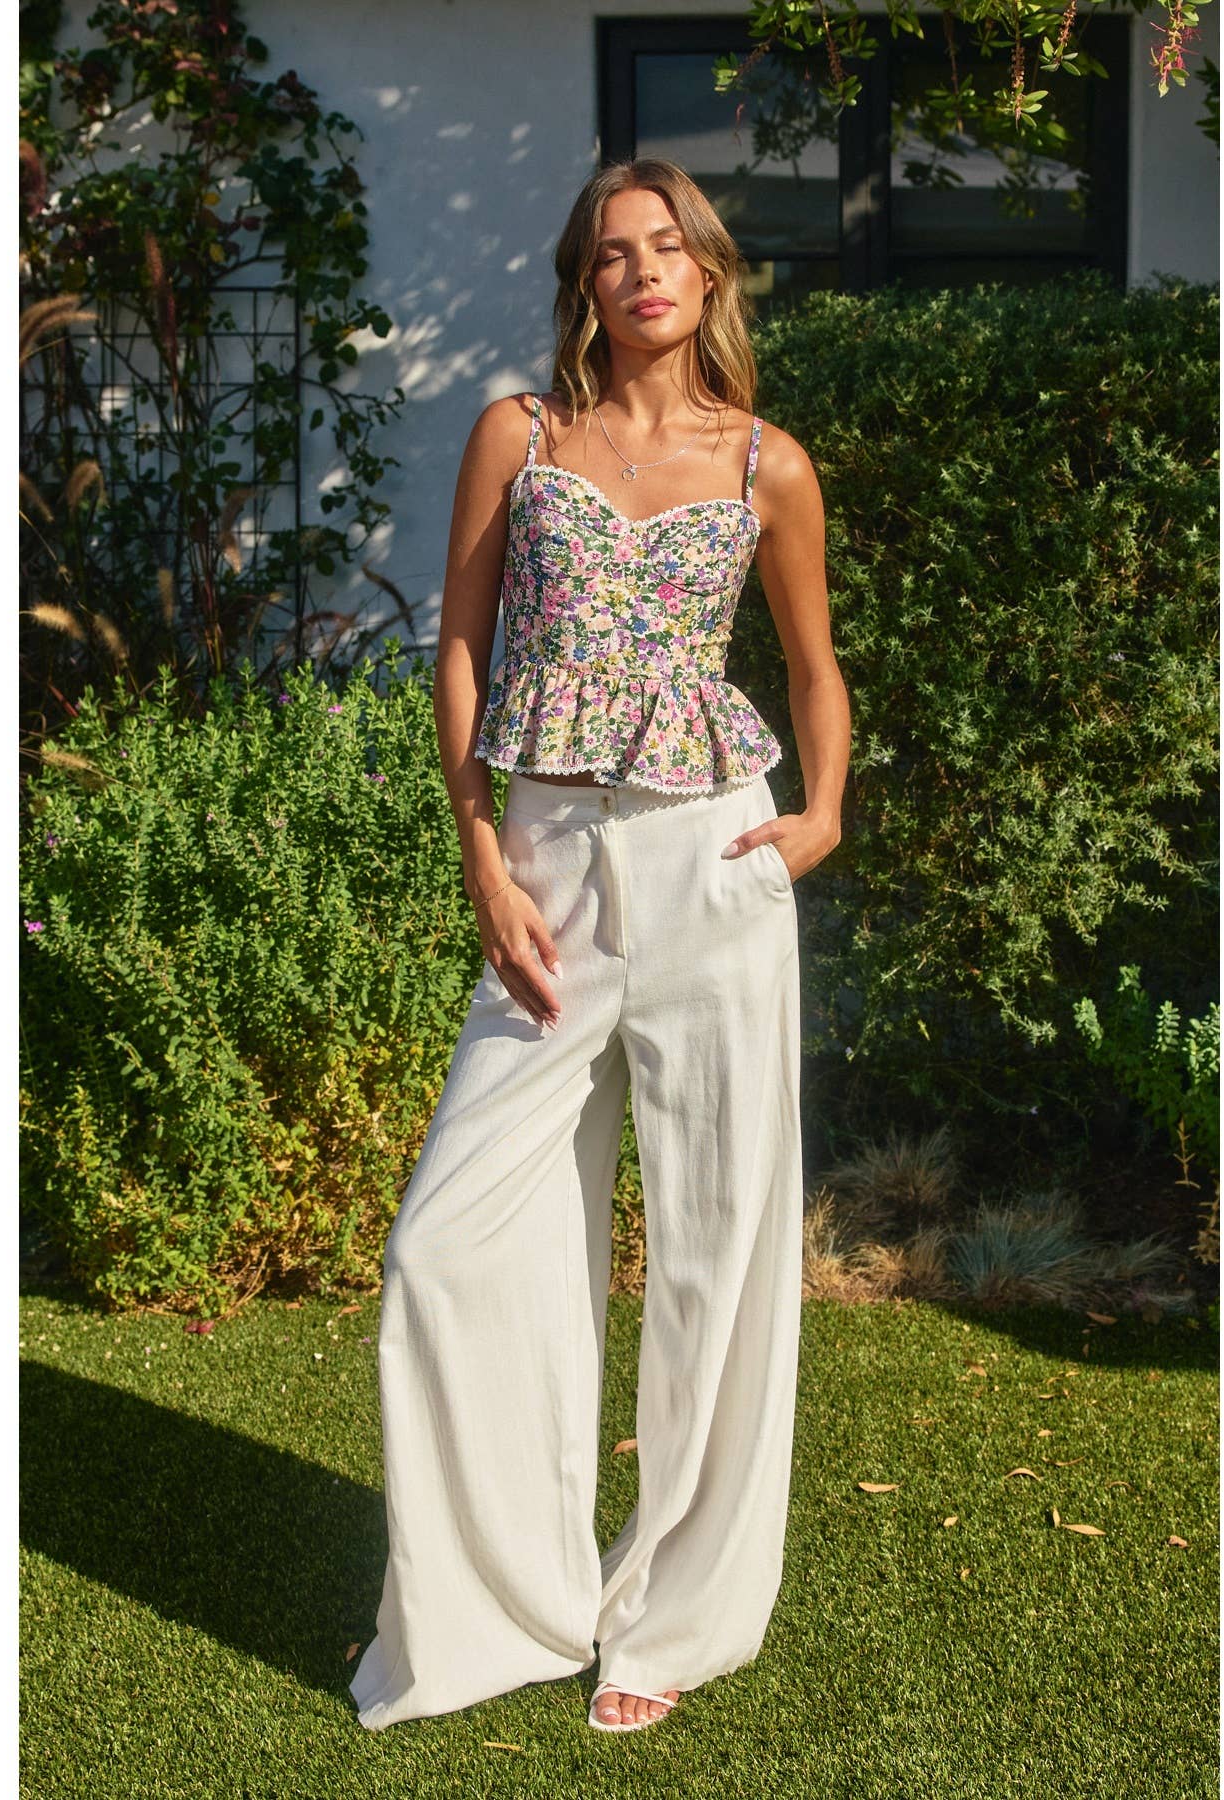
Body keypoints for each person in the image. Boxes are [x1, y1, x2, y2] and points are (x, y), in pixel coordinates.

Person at [349, 157, 851, 1735]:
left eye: (668, 248)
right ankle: (510, 1600)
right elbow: (459, 638)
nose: (643, 272)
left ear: (707, 273)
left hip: (715, 858)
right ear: (585, 282)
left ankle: (672, 1617)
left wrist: (822, 813)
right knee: (447, 1245)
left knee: (718, 1246)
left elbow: (815, 664)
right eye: (612, 254)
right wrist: (482, 849)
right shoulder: (522, 434)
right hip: (550, 872)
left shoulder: (768, 463)